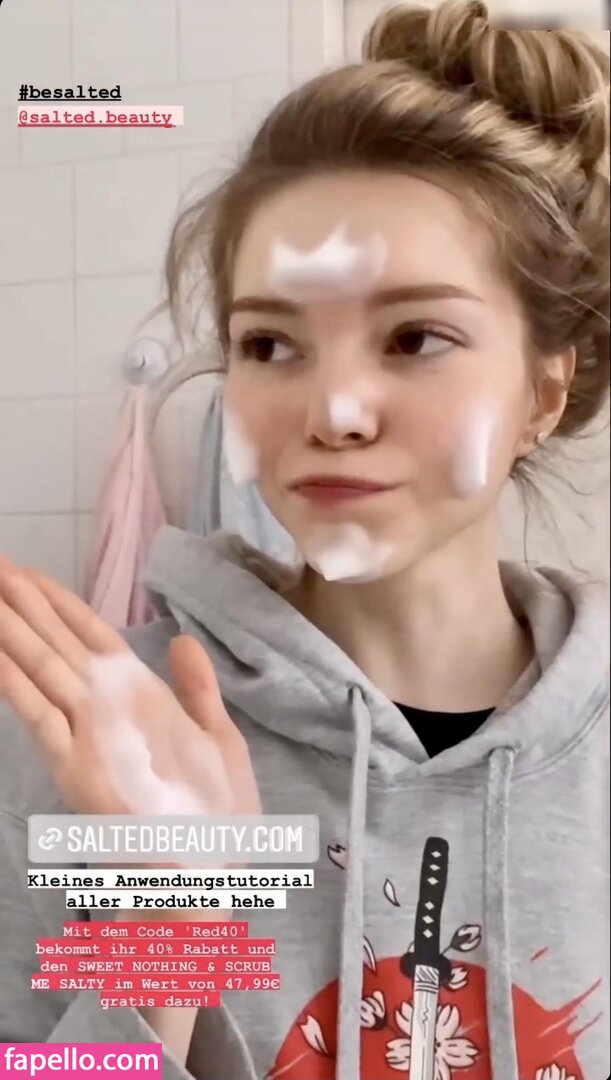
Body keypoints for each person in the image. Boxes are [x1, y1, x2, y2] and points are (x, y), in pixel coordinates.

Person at [0, 2, 609, 1078]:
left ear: (542, 391)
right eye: (270, 344)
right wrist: (174, 918)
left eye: (414, 337)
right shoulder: (100, 735)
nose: (331, 412)